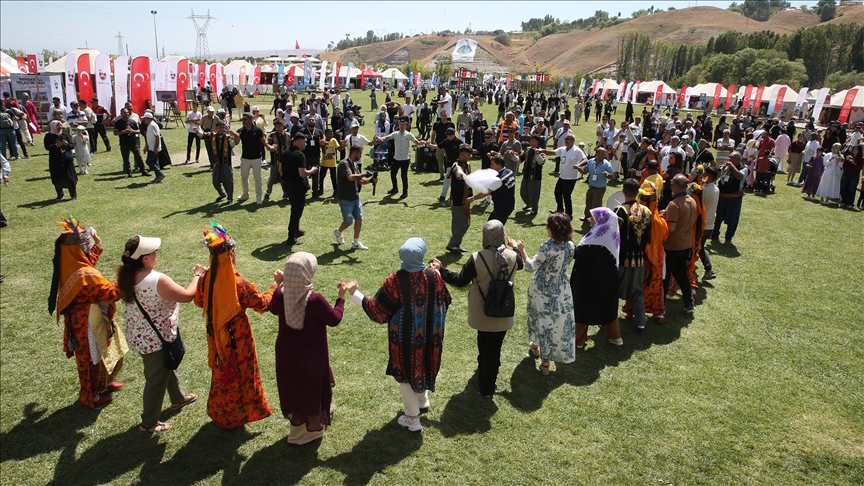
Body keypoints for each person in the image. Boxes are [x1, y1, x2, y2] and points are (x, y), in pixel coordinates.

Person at [347, 237, 451, 431]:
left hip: (405, 339)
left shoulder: (395, 280)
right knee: (423, 365)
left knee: (406, 376)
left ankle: (412, 419)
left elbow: (377, 310)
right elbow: (445, 300)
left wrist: (356, 294)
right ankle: (422, 399)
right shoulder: (434, 276)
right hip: (431, 336)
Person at [194, 224, 281, 429]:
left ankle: (223, 415)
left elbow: (199, 301)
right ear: (230, 254)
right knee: (242, 374)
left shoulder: (206, 278)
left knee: (222, 373)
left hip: (216, 336)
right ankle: (240, 415)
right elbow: (263, 304)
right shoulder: (239, 283)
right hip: (239, 338)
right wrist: (276, 284)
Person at [117, 235, 200, 434]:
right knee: (155, 380)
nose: (156, 253)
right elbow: (187, 296)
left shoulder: (126, 276)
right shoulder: (156, 280)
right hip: (157, 339)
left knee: (163, 367)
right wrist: (197, 275)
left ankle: (178, 398)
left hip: (141, 336)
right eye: (154, 251)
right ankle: (148, 424)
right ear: (145, 258)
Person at [436, 221, 523, 396]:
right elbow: (520, 263)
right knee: (495, 348)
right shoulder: (514, 257)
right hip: (504, 311)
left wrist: (441, 270)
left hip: (482, 311)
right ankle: (488, 378)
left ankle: (485, 381)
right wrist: (515, 247)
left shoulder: (477, 258)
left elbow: (460, 280)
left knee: (484, 345)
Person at [269, 252, 346, 445]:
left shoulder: (281, 294)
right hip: (312, 353)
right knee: (310, 388)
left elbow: (272, 307)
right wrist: (341, 298)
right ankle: (306, 432)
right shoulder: (315, 300)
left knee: (294, 387)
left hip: (286, 352)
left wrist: (278, 283)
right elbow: (334, 319)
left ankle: (303, 425)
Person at [49, 220, 127, 408]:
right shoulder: (84, 275)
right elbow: (111, 294)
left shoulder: (69, 263)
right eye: (86, 245)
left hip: (83, 320)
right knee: (94, 359)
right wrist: (125, 275)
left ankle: (105, 383)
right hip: (88, 325)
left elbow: (88, 261)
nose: (89, 247)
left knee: (105, 353)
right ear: (78, 249)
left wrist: (97, 244)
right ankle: (92, 394)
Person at [512, 213, 575, 374]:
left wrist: (521, 250)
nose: (546, 228)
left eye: (548, 226)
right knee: (554, 322)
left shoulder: (547, 247)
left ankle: (541, 355)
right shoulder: (570, 245)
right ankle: (539, 351)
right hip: (561, 288)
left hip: (542, 288)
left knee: (539, 318)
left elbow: (531, 266)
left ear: (554, 229)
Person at [570, 207, 623, 350]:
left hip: (589, 281)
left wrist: (568, 240)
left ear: (601, 220)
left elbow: (578, 254)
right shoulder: (610, 233)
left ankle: (579, 340)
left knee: (583, 308)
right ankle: (615, 337)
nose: (589, 219)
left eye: (593, 217)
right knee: (607, 308)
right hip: (607, 279)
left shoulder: (597, 236)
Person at [613, 178, 653, 333]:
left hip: (622, 259)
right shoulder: (647, 211)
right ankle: (641, 323)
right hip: (639, 259)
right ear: (637, 192)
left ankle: (609, 322)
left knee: (612, 291)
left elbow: (614, 235)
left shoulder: (620, 210)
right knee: (637, 292)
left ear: (623, 191)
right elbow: (648, 236)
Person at [662, 174, 697, 314]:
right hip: (686, 245)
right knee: (682, 275)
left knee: (665, 276)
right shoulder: (692, 201)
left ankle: (661, 308)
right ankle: (689, 303)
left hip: (672, 246)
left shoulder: (674, 204)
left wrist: (662, 218)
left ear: (673, 186)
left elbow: (670, 228)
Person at [281, 133, 318, 245]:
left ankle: (296, 230)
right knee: (296, 211)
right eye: (305, 142)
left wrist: (286, 180)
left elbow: (280, 170)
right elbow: (302, 173)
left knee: (295, 208)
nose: (306, 144)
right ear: (299, 141)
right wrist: (312, 170)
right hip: (297, 186)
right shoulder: (300, 155)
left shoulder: (284, 152)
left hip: (287, 185)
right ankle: (291, 237)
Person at [333, 145, 372, 250]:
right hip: (345, 198)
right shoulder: (343, 164)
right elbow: (350, 177)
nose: (361, 156)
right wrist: (364, 174)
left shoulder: (354, 165)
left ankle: (355, 242)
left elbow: (360, 181)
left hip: (355, 197)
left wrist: (370, 180)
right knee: (348, 221)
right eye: (360, 154)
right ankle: (338, 231)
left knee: (359, 219)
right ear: (354, 153)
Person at [543, 133, 586, 218]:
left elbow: (585, 159)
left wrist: (578, 165)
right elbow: (551, 152)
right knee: (557, 193)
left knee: (566, 196)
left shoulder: (577, 151)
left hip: (571, 178)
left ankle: (569, 214)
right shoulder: (562, 149)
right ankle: (560, 210)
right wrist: (542, 150)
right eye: (565, 139)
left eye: (567, 139)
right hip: (562, 177)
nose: (565, 140)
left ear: (572, 141)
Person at [467, 154, 516, 225]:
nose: (490, 166)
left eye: (492, 165)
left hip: (502, 208)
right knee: (491, 225)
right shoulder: (509, 172)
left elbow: (486, 192)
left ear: (499, 165)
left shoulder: (499, 180)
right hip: (507, 205)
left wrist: (472, 198)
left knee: (493, 228)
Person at [378, 119, 421, 197]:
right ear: (398, 125)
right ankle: (395, 188)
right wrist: (381, 138)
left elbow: (416, 142)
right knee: (393, 174)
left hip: (405, 159)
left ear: (406, 126)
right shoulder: (395, 134)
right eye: (400, 124)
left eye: (403, 125)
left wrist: (423, 142)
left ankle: (405, 192)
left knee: (404, 176)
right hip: (396, 158)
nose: (402, 126)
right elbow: (387, 137)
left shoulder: (409, 135)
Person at [443, 145, 472, 253]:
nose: (469, 157)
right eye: (468, 155)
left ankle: (456, 244)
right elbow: (459, 173)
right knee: (461, 223)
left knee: (464, 222)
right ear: (463, 154)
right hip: (458, 200)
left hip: (465, 200)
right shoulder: (456, 165)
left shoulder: (467, 165)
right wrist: (464, 176)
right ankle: (452, 245)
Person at [714, 152, 749, 245]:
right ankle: (714, 234)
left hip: (734, 198)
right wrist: (721, 169)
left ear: (738, 159)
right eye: (729, 157)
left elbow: (739, 176)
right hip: (722, 196)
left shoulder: (744, 169)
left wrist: (732, 166)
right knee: (717, 216)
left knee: (732, 219)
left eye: (732, 157)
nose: (729, 159)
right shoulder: (727, 167)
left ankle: (728, 238)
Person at [236, 112, 268, 204]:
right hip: (245, 158)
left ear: (251, 120)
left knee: (257, 178)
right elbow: (237, 143)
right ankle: (245, 194)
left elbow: (263, 141)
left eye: (245, 119)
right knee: (244, 177)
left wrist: (269, 146)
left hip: (256, 158)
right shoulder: (240, 131)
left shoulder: (257, 130)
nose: (243, 121)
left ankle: (259, 197)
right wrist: (236, 136)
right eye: (243, 119)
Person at [577, 147, 614, 223]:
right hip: (591, 187)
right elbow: (585, 171)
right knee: (588, 203)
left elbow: (612, 175)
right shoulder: (591, 162)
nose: (604, 156)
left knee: (596, 205)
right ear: (597, 154)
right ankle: (587, 217)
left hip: (600, 188)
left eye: (604, 154)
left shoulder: (606, 164)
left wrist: (607, 174)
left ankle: (596, 221)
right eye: (602, 154)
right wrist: (580, 169)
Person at [45, 117, 77, 200]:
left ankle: (73, 194)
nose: (60, 127)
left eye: (61, 125)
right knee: (57, 178)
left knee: (70, 177)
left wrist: (66, 144)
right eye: (58, 126)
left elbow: (72, 145)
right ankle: (60, 195)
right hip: (55, 160)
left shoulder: (65, 135)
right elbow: (47, 147)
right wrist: (56, 145)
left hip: (66, 159)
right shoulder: (49, 136)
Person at [696, 167, 719, 280]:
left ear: (708, 177)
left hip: (702, 225)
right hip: (710, 225)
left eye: (704, 174)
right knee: (700, 247)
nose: (702, 175)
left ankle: (708, 269)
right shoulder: (716, 189)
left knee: (697, 247)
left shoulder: (704, 190)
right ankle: (708, 270)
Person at [113, 108, 148, 177]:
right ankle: (129, 172)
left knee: (138, 157)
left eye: (127, 112)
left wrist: (132, 131)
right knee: (126, 158)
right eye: (125, 113)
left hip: (133, 142)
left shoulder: (132, 122)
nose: (127, 114)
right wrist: (123, 132)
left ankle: (143, 170)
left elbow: (138, 131)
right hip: (124, 143)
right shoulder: (118, 122)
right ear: (121, 114)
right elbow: (115, 132)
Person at [264, 119, 289, 201]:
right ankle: (268, 192)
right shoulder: (272, 135)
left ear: (283, 126)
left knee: (284, 179)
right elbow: (268, 145)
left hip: (285, 162)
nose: (278, 128)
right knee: (272, 179)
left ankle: (285, 195)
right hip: (275, 161)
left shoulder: (288, 135)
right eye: (276, 127)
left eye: (279, 126)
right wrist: (271, 147)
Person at [140, 113, 166, 183]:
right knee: (155, 162)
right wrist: (146, 146)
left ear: (149, 119)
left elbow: (157, 137)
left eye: (145, 118)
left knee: (149, 161)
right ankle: (158, 177)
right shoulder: (150, 125)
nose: (144, 120)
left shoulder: (153, 126)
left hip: (153, 147)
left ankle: (160, 173)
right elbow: (148, 137)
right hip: (151, 146)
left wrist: (156, 148)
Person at [840, 145, 863, 209]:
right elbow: (844, 166)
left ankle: (850, 203)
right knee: (843, 187)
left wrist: (854, 163)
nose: (854, 151)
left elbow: (859, 168)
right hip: (847, 173)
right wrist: (846, 160)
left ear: (859, 151)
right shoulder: (849, 156)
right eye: (854, 149)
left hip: (854, 174)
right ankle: (844, 202)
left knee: (851, 189)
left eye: (856, 149)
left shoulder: (861, 159)